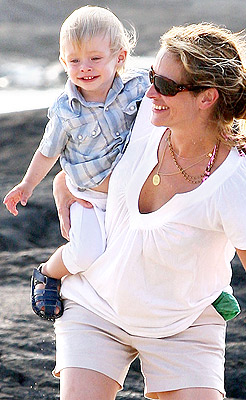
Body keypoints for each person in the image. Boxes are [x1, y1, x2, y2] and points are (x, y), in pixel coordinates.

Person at [53, 23, 246, 400]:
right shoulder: (140, 115)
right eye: (152, 77)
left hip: (184, 329)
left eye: (165, 86)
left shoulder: (235, 187)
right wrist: (62, 183)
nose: (150, 91)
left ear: (207, 98)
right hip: (96, 308)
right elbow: (80, 142)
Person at [3, 6, 148, 320]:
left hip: (133, 192)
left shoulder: (137, 88)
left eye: (95, 58)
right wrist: (27, 185)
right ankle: (49, 273)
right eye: (74, 60)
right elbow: (47, 152)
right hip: (88, 196)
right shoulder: (66, 109)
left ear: (120, 57)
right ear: (62, 62)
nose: (85, 68)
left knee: (154, 245)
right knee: (86, 252)